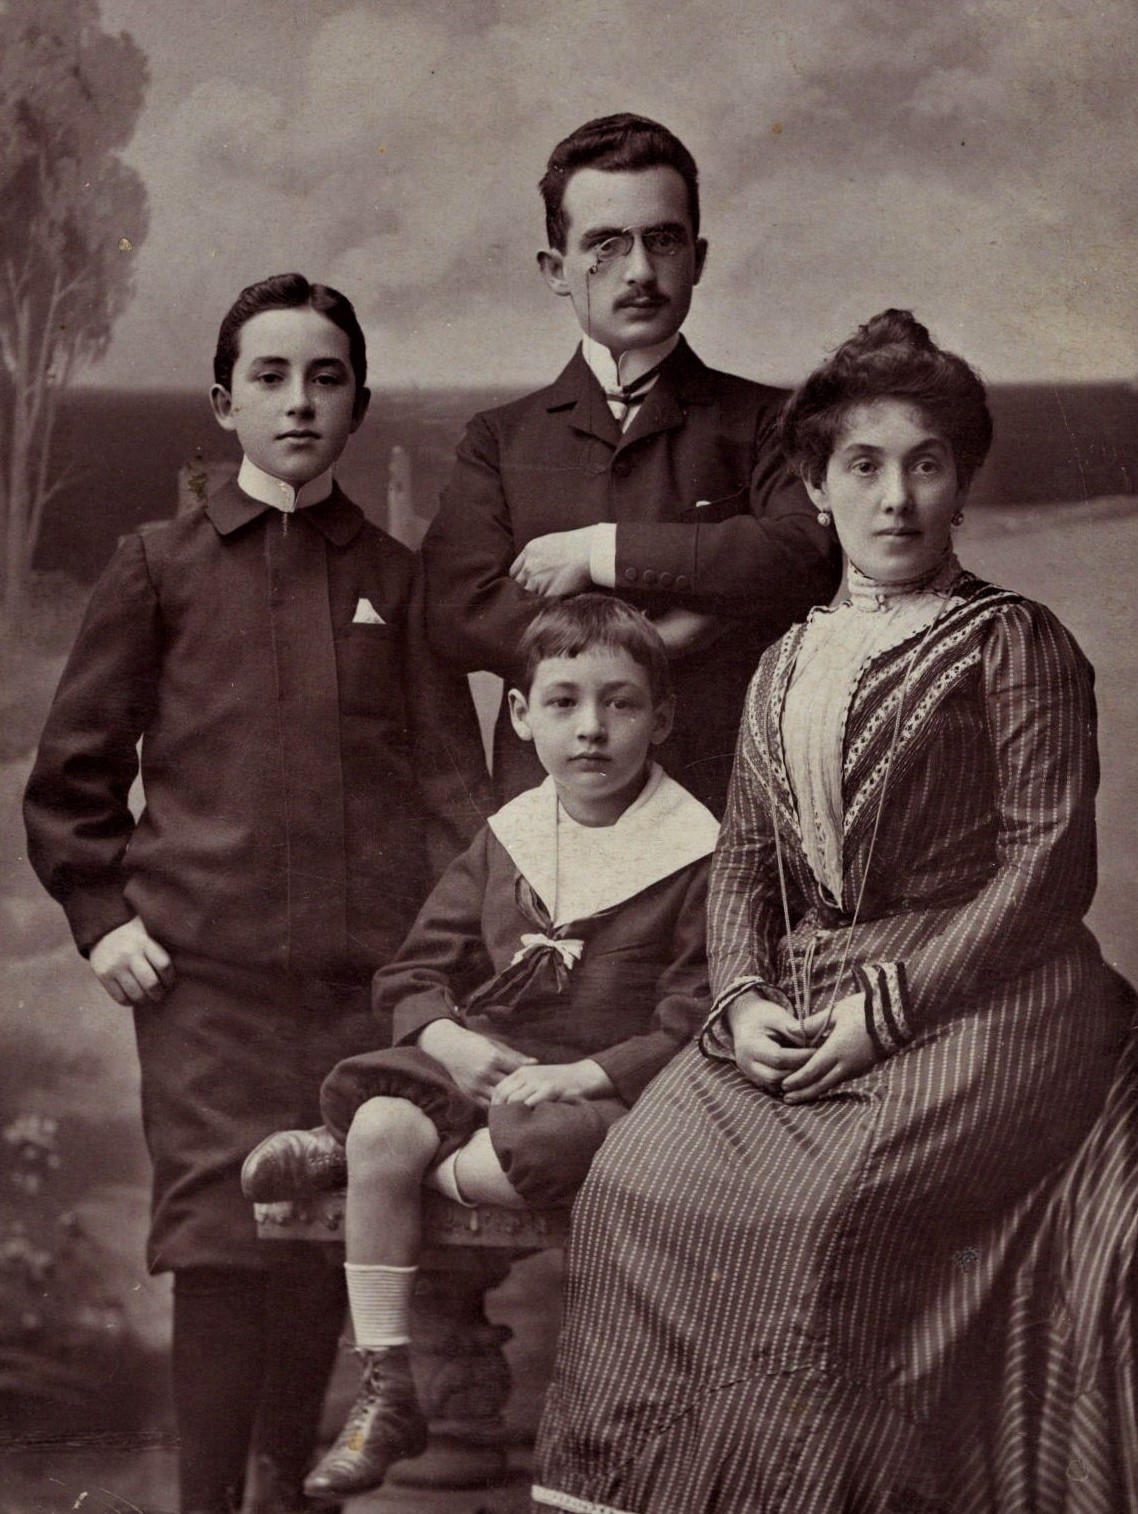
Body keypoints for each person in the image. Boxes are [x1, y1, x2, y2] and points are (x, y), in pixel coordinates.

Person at [532, 311, 1137, 1513]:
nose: (895, 497)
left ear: (959, 480)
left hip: (992, 994)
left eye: (925, 463)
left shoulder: (1013, 640)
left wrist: (889, 1009)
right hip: (803, 988)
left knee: (814, 1220)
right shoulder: (786, 657)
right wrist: (742, 998)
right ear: (814, 486)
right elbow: (746, 861)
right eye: (862, 464)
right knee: (630, 1187)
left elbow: (1046, 866)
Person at [22, 273, 486, 1514]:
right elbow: (70, 778)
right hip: (205, 992)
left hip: (361, 996)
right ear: (224, 403)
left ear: (358, 403)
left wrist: (451, 969)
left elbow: (457, 800)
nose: (298, 402)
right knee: (224, 1247)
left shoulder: (395, 577)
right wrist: (102, 920)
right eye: (269, 378)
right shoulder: (158, 567)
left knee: (326, 1239)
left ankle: (287, 1497)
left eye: (325, 378)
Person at [241, 595, 720, 1502]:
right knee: (384, 1112)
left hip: (606, 1088)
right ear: (523, 715)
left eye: (620, 703)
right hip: (492, 1068)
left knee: (530, 1145)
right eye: (564, 702)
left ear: (661, 718)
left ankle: (361, 1164)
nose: (590, 728)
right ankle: (387, 1387)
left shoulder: (695, 849)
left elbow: (697, 1010)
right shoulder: (512, 837)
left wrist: (587, 1074)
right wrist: (450, 1040)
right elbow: (415, 970)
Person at [420, 113, 839, 815]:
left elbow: (804, 555)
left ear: (697, 259)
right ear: (556, 270)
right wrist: (656, 640)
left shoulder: (770, 420)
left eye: (663, 240)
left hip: (724, 810)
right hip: (550, 818)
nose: (640, 271)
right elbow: (457, 609)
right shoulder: (500, 439)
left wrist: (599, 552)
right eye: (605, 245)